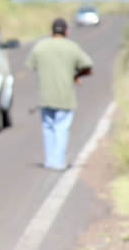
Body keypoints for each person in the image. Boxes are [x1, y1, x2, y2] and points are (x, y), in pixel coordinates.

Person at [25, 17, 93, 171]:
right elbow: (88, 65)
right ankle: (59, 161)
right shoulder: (72, 47)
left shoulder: (41, 46)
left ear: (51, 31)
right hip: (65, 97)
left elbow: (31, 65)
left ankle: (50, 161)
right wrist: (76, 75)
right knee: (61, 128)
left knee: (48, 128)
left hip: (45, 96)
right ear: (67, 32)